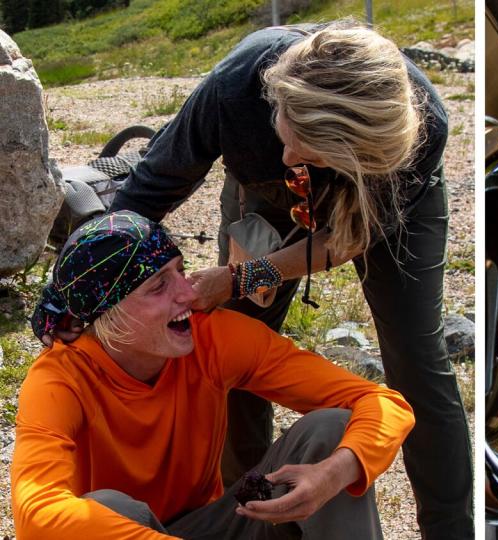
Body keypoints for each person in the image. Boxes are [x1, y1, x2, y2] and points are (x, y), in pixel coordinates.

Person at [89, 20, 470, 538]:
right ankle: (249, 513)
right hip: (263, 195)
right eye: (289, 135)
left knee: (417, 362)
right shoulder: (234, 90)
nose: (291, 157)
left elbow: (347, 237)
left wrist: (245, 273)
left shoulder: (412, 131)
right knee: (236, 347)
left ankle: (450, 529)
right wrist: (85, 285)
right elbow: (151, 187)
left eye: (309, 151)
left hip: (379, 208)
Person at [15, 211, 414, 538]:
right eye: (158, 286)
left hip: (214, 526)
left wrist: (335, 472)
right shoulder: (60, 379)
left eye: (180, 271)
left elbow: (382, 403)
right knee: (108, 506)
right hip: (121, 534)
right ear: (107, 315)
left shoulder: (213, 337)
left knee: (331, 431)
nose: (188, 293)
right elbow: (38, 513)